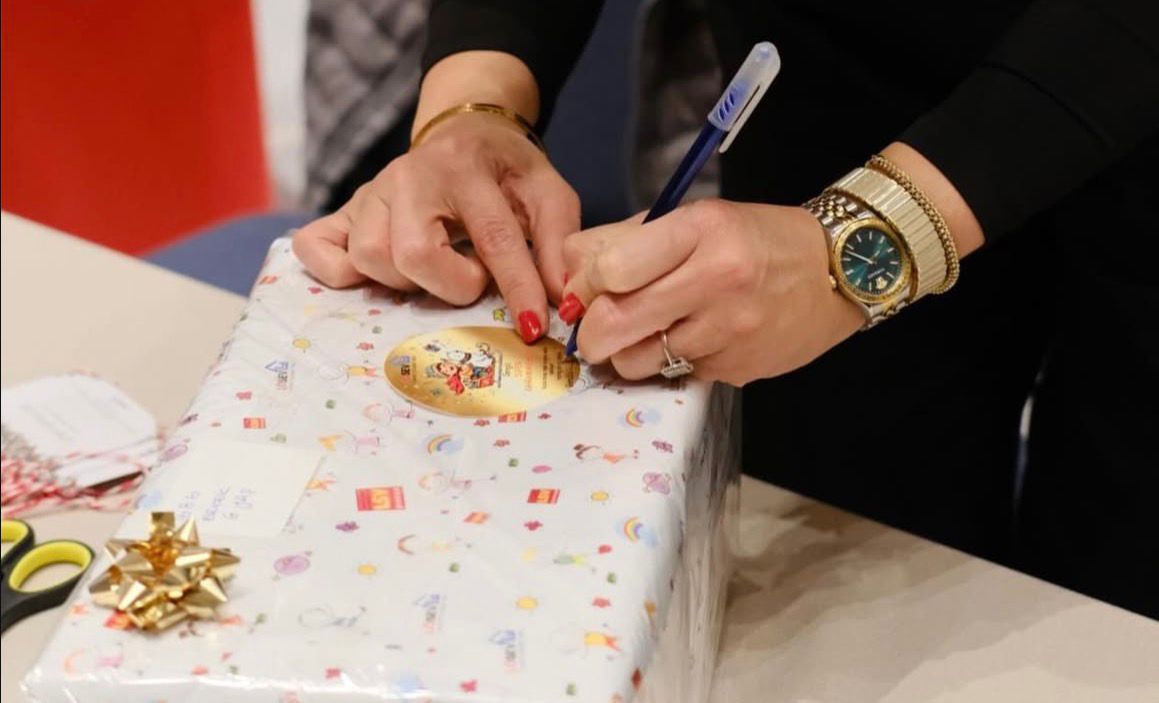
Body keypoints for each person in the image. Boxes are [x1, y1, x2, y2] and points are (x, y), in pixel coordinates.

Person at [293, 0, 1159, 618]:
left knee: (1118, 600)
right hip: (837, 60)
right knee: (840, 579)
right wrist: (473, 101)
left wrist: (860, 239)